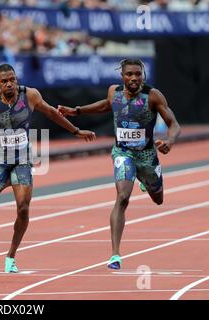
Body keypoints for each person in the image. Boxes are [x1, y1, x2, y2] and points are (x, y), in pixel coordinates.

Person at [58, 58, 181, 270]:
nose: (134, 78)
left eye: (137, 74)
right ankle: (115, 254)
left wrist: (170, 141)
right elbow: (106, 105)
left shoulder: (152, 96)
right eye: (129, 74)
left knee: (158, 199)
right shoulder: (113, 92)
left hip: (147, 155)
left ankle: (145, 178)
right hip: (122, 152)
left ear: (142, 75)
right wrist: (77, 111)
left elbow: (173, 123)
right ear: (122, 76)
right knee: (123, 196)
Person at [0, 63, 96, 273]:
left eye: (12, 79)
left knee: (22, 207)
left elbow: (51, 113)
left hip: (22, 159)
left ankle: (11, 256)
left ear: (16, 79)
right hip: (0, 160)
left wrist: (76, 131)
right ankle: (2, 179)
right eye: (5, 81)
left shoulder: (30, 95)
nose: (9, 84)